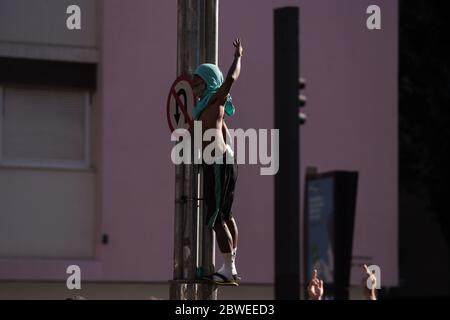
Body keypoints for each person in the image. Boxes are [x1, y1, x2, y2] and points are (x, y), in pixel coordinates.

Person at [192, 38, 243, 285]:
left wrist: (238, 57)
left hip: (218, 163)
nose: (193, 86)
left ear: (209, 81)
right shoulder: (205, 106)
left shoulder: (215, 99)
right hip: (224, 162)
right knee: (226, 214)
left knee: (215, 217)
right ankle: (230, 267)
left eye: (197, 81)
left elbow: (231, 79)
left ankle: (228, 268)